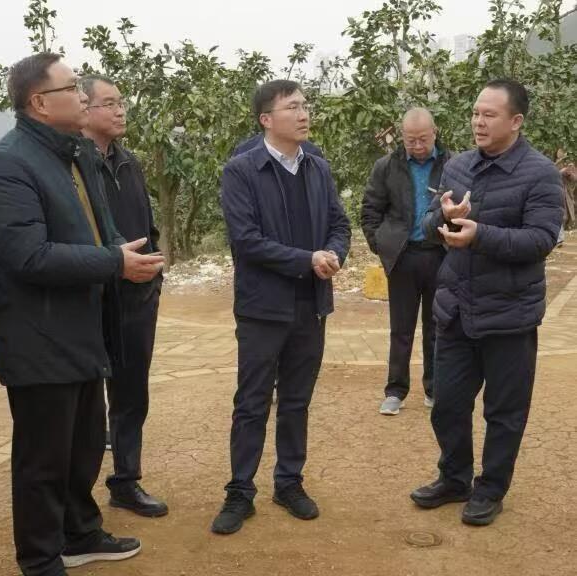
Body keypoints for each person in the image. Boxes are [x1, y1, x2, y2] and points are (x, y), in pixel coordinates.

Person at [0, 53, 164, 576]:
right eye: (72, 87)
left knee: (83, 445)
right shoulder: (6, 164)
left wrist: (124, 256)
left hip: (85, 327)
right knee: (43, 458)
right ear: (39, 102)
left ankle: (80, 532)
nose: (82, 96)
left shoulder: (74, 154)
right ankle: (40, 558)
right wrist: (114, 262)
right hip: (39, 335)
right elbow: (27, 255)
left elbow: (97, 232)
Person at [411, 79, 563, 526]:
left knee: (504, 412)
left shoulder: (540, 174)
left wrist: (480, 235)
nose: (478, 122)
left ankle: (490, 489)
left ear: (516, 121)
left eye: (489, 115)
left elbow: (540, 240)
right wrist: (444, 216)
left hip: (509, 315)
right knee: (447, 405)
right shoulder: (458, 165)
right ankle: (454, 478)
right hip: (456, 308)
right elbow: (427, 226)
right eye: (476, 113)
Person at [212, 79, 351, 535]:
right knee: (252, 402)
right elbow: (247, 241)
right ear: (267, 119)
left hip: (310, 305)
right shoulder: (241, 171)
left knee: (296, 400)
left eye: (305, 105)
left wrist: (333, 254)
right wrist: (307, 259)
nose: (303, 113)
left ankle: (289, 483)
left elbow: (339, 224)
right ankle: (240, 491)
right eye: (292, 107)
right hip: (262, 308)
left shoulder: (318, 168)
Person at [80, 74, 167, 518]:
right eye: (109, 103)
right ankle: (76, 496)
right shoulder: (71, 165)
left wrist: (152, 277)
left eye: (121, 102)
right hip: (89, 298)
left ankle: (126, 481)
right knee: (84, 403)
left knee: (132, 393)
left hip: (136, 298)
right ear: (84, 109)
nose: (119, 111)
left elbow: (145, 224)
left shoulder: (129, 162)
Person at [360, 108, 450, 415]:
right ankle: (395, 390)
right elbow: (370, 210)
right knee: (401, 328)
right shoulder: (386, 167)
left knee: (438, 326)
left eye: (423, 139)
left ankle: (435, 388)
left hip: (441, 255)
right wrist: (381, 246)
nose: (418, 145)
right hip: (403, 256)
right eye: (411, 140)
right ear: (402, 137)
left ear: (435, 132)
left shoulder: (452, 165)